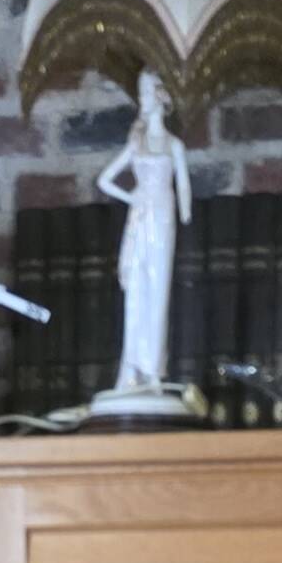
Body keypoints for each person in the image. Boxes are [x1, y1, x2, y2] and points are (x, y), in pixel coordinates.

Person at [98, 70, 191, 401]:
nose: (143, 100)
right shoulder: (135, 145)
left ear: (162, 97)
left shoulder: (174, 145)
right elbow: (105, 179)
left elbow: (182, 186)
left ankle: (153, 370)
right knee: (137, 291)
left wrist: (185, 213)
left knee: (158, 291)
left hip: (163, 217)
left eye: (148, 92)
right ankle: (132, 369)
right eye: (141, 93)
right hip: (141, 217)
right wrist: (131, 197)